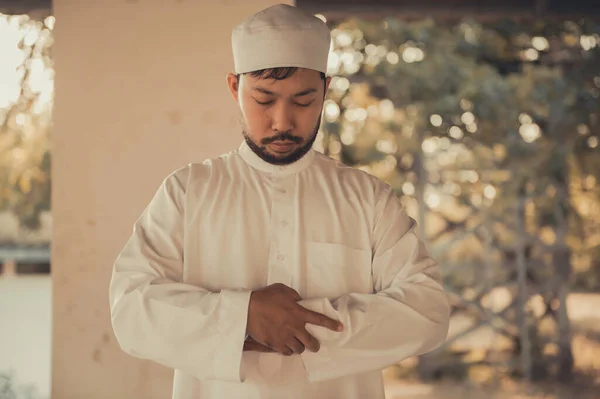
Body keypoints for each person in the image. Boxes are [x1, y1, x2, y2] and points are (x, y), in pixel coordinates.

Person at [108, 4, 450, 399]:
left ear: (326, 90)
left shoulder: (368, 199)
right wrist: (245, 316)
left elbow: (428, 310)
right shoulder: (188, 192)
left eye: (303, 101)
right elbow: (130, 308)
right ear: (235, 89)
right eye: (264, 100)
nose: (283, 121)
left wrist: (303, 324)